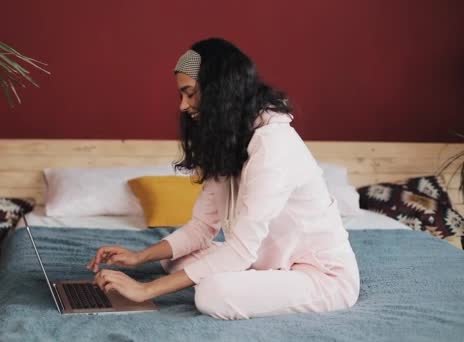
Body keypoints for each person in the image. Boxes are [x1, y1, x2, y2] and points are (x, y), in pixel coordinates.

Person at [86, 38, 360, 320]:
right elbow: (202, 227)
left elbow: (240, 251)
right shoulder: (230, 142)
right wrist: (139, 257)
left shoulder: (273, 147)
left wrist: (145, 290)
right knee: (173, 257)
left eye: (190, 93)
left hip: (321, 277)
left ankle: (249, 283)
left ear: (218, 92)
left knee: (212, 293)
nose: (182, 105)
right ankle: (253, 281)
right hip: (263, 262)